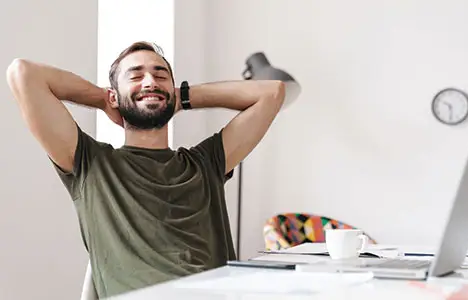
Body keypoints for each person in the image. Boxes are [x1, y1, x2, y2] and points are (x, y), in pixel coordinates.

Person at [6, 41, 285, 298]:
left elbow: (272, 92)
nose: (150, 81)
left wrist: (184, 96)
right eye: (136, 75)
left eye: (160, 75)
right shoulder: (91, 164)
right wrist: (104, 99)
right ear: (115, 95)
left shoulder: (206, 162)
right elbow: (23, 74)